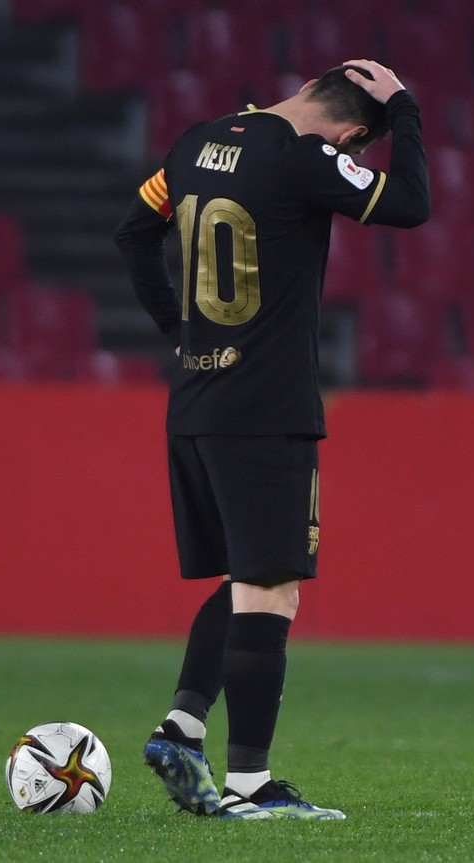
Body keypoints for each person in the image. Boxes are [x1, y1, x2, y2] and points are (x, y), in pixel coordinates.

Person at [113, 60, 429, 818]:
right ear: (354, 134)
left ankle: (182, 729)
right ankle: (250, 784)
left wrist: (177, 329)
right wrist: (409, 114)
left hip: (195, 398)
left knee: (250, 579)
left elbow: (132, 235)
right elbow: (410, 203)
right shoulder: (305, 157)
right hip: (265, 405)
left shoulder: (195, 144)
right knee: (273, 584)